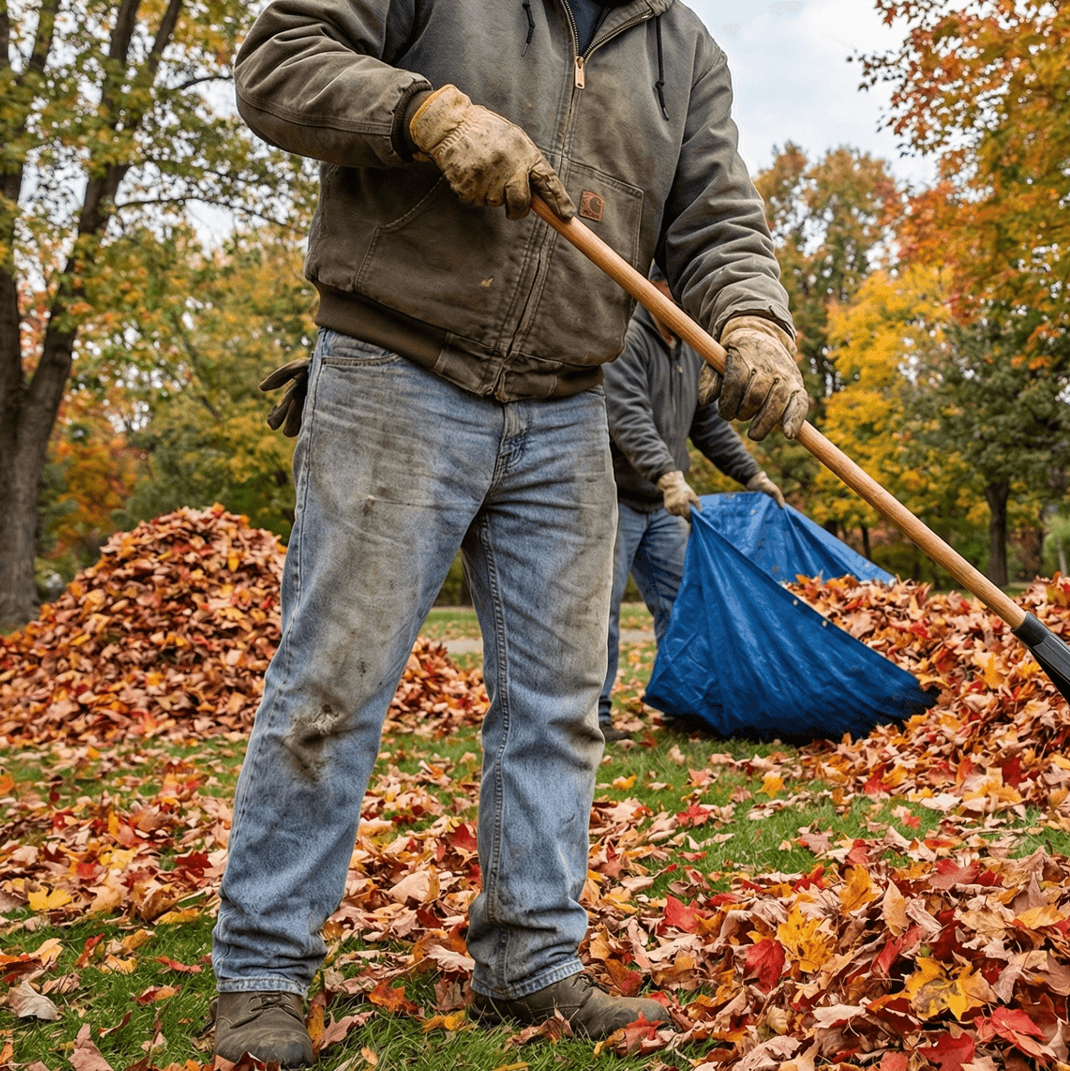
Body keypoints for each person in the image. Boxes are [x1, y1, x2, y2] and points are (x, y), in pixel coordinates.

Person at [211, 0, 810, 1064]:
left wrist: (755, 320)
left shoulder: (683, 50)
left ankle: (530, 964)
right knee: (331, 686)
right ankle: (262, 971)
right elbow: (278, 63)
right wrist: (424, 114)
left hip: (567, 405)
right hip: (395, 368)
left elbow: (718, 225)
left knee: (560, 704)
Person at [599, 270, 787, 740]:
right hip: (618, 496)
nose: (688, 306)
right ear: (657, 290)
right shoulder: (626, 337)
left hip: (665, 506)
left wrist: (752, 474)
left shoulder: (688, 348)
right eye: (678, 295)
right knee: (600, 610)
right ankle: (594, 716)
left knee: (684, 603)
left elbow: (708, 424)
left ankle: (683, 704)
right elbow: (627, 414)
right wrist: (667, 474)